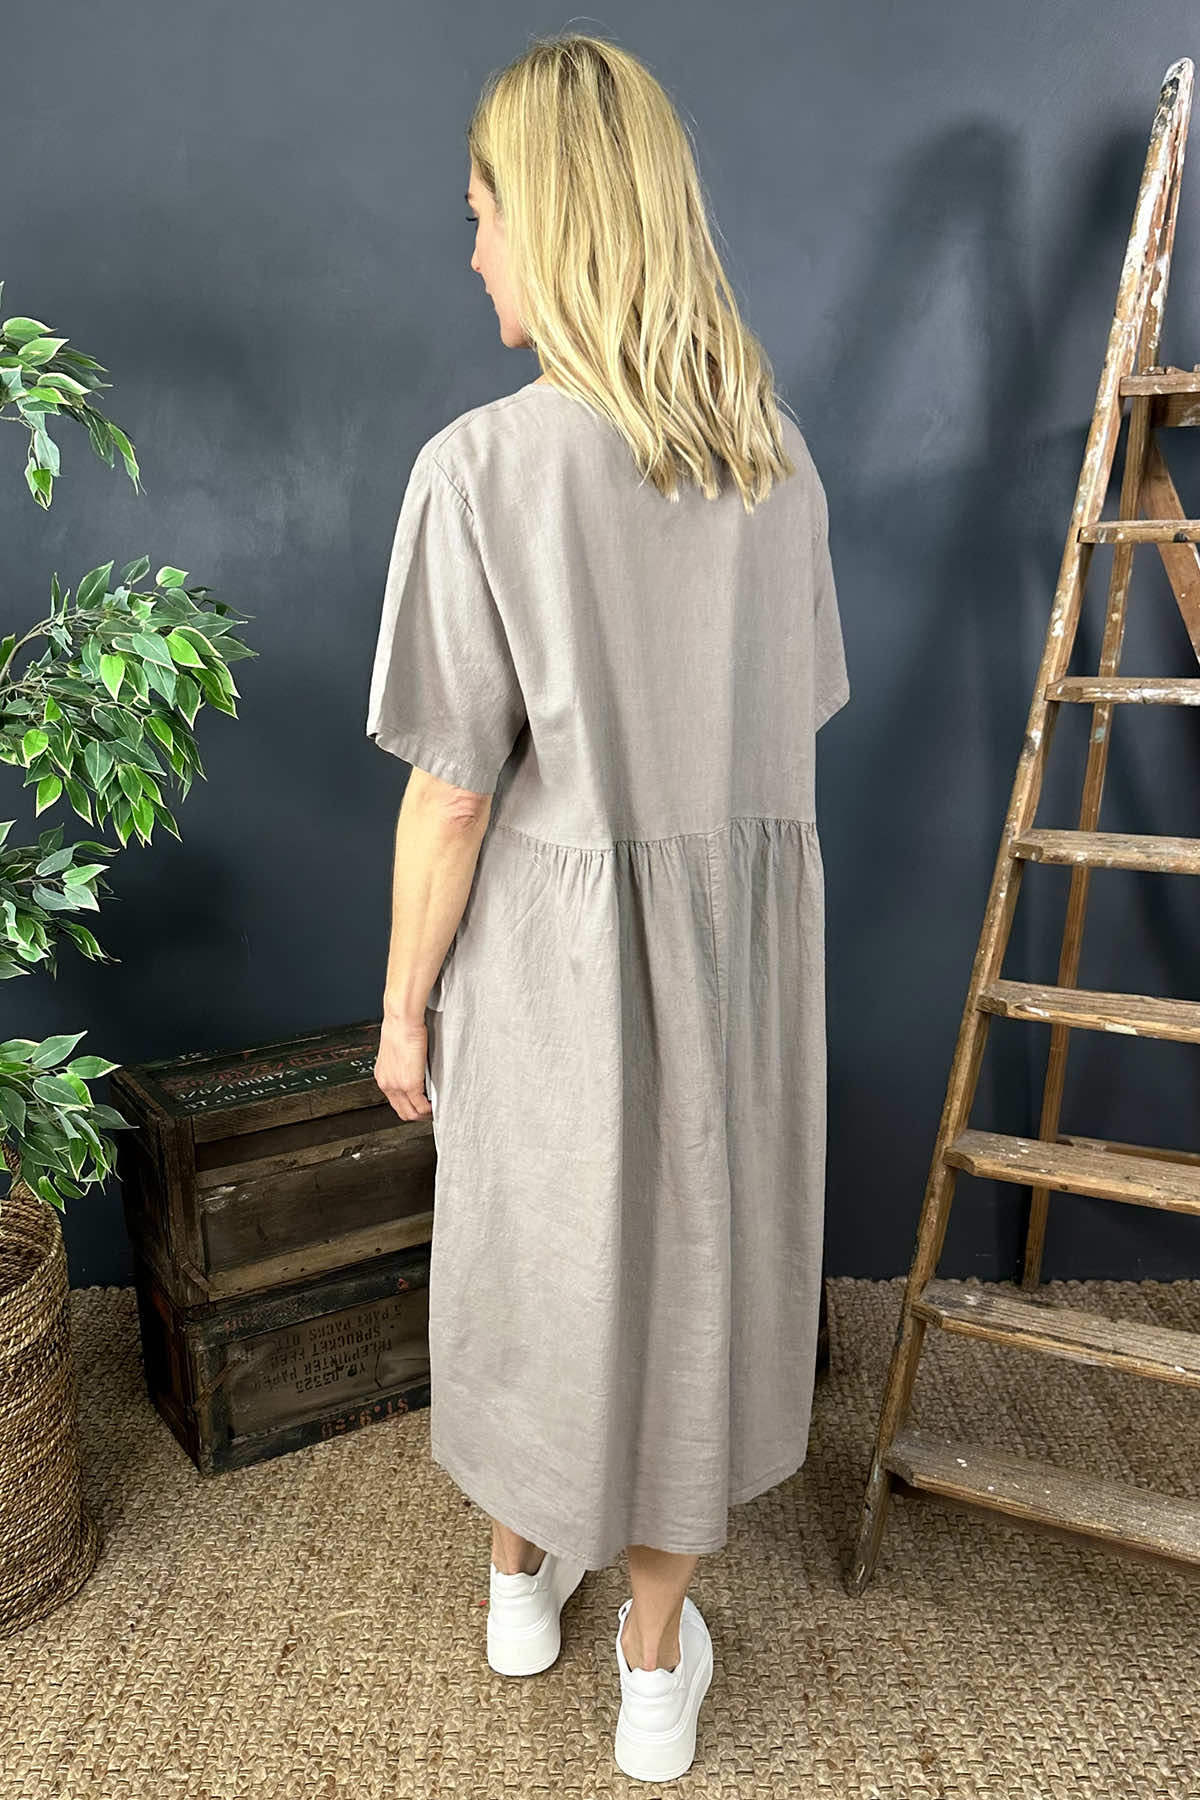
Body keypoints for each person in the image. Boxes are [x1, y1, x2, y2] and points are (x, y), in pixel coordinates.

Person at [367, 31, 850, 1786]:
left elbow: (454, 790)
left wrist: (404, 1008)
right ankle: (653, 1664)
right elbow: (785, 726)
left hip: (557, 965)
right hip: (735, 966)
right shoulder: (777, 461)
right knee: (694, 1273)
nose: (472, 250)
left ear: (554, 223)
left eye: (483, 212)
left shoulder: (480, 470)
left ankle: (520, 1584)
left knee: (534, 1257)